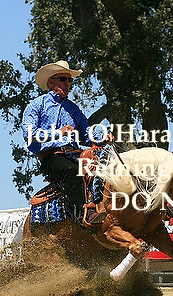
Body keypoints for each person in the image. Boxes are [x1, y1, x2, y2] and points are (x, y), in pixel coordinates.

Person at [22, 60, 112, 225]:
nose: (68, 83)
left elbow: (86, 134)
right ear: (51, 81)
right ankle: (84, 216)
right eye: (63, 79)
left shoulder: (74, 109)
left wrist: (102, 137)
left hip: (75, 154)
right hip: (51, 156)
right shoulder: (36, 105)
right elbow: (29, 134)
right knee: (72, 172)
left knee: (106, 168)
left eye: (70, 80)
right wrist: (58, 133)